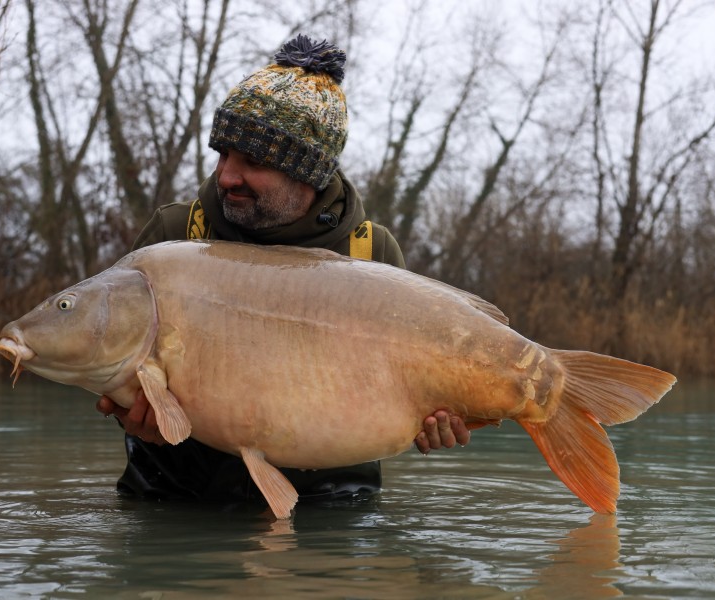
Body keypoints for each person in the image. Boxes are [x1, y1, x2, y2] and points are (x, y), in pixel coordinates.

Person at [96, 34, 469, 506]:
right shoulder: (175, 234)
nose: (227, 176)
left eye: (252, 161)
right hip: (176, 497)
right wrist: (131, 416)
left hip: (332, 504)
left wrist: (433, 423)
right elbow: (115, 362)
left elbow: (408, 399)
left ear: (306, 174)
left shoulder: (370, 252)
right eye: (223, 155)